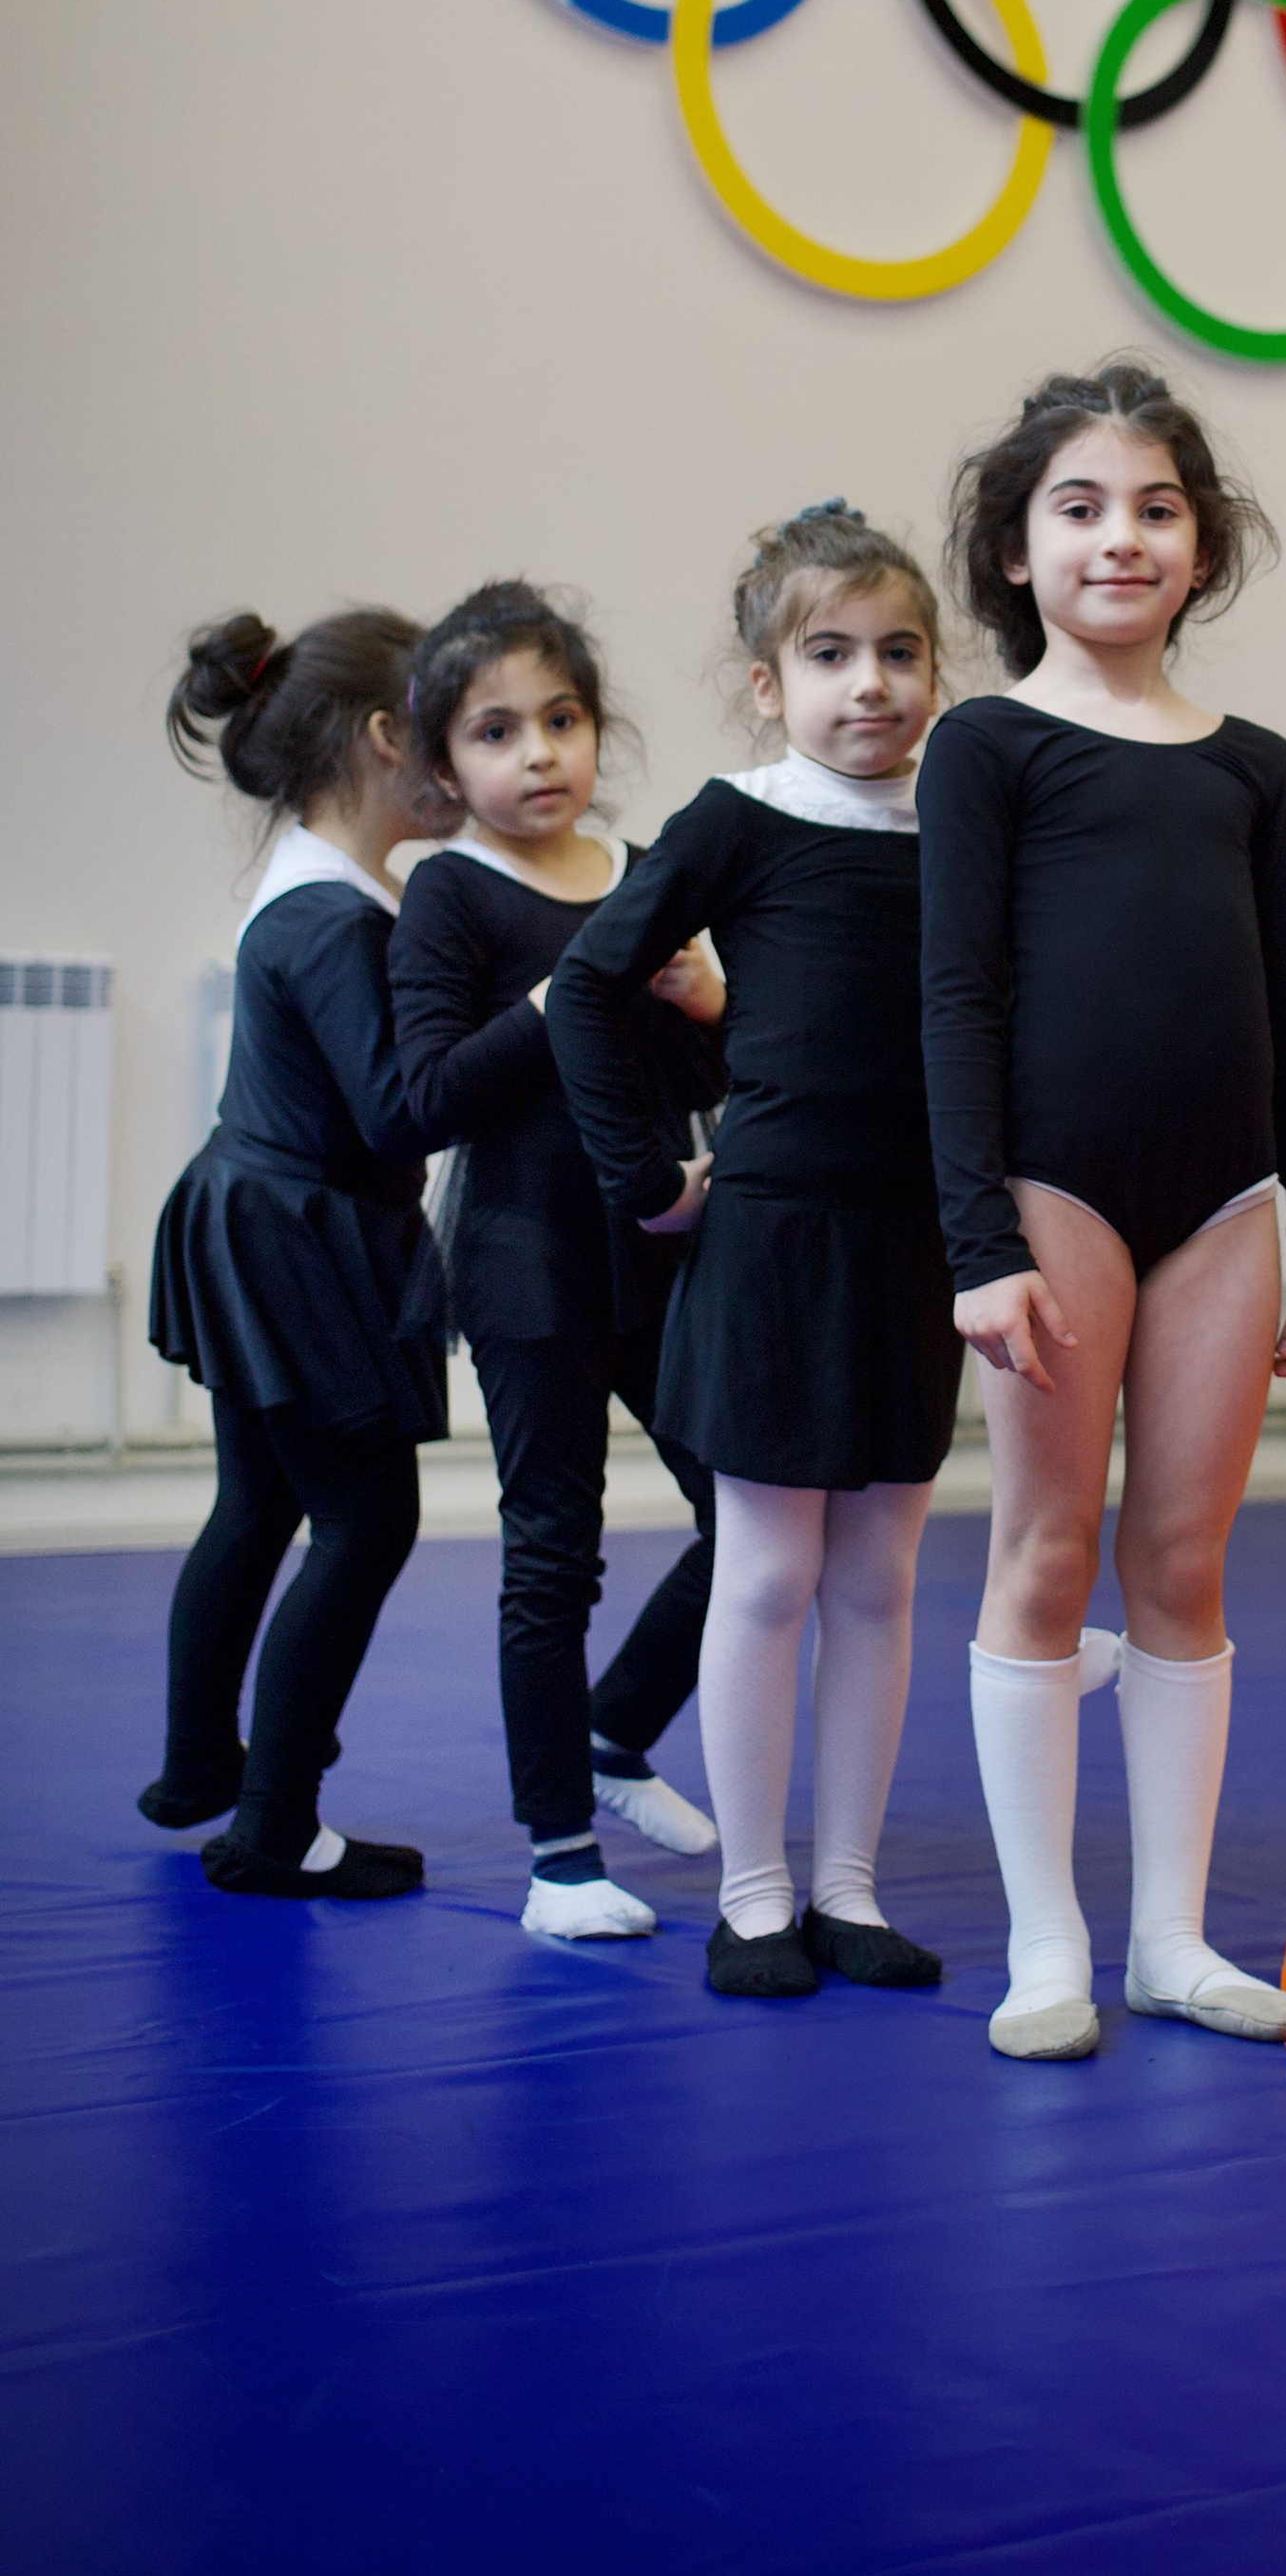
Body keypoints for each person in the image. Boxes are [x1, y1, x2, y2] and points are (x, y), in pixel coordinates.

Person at [919, 361, 1286, 2063]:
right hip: (1055, 1191)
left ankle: (1174, 1937)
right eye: (1080, 508)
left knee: (1183, 1555)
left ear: (1205, 543)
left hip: (1227, 1198)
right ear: (1017, 553)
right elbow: (955, 999)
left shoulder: (1252, 764)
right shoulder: (990, 745)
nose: (1123, 537)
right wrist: (978, 1240)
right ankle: (1051, 1945)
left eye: (1158, 508)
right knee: (1044, 1549)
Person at [548, 506, 960, 2001]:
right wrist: (645, 1177)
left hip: (917, 1235)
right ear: (767, 683)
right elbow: (591, 987)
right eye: (831, 654)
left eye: (901, 652)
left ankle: (847, 1885)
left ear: (941, 669)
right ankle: (755, 1888)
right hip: (776, 1236)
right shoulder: (739, 816)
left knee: (881, 1581)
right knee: (772, 1572)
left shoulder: (965, 818)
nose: (872, 685)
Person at [391, 582, 728, 1942]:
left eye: (562, 719)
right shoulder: (450, 898)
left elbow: (702, 1072)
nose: (538, 754)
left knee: (752, 1514)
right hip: (528, 1254)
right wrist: (558, 994)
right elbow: (420, 1099)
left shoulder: (645, 872)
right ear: (443, 766)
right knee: (554, 1553)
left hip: (654, 1241)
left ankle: (614, 1729)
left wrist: (711, 1002)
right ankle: (561, 1855)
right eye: (496, 732)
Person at [144, 608, 440, 1899]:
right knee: (367, 1521)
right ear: (388, 736)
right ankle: (273, 1827)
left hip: (252, 1208)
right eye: (459, 724)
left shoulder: (319, 884)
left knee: (263, 1504)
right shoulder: (335, 916)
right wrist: (547, 1015)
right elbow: (396, 1109)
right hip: (294, 1232)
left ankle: (204, 1766)